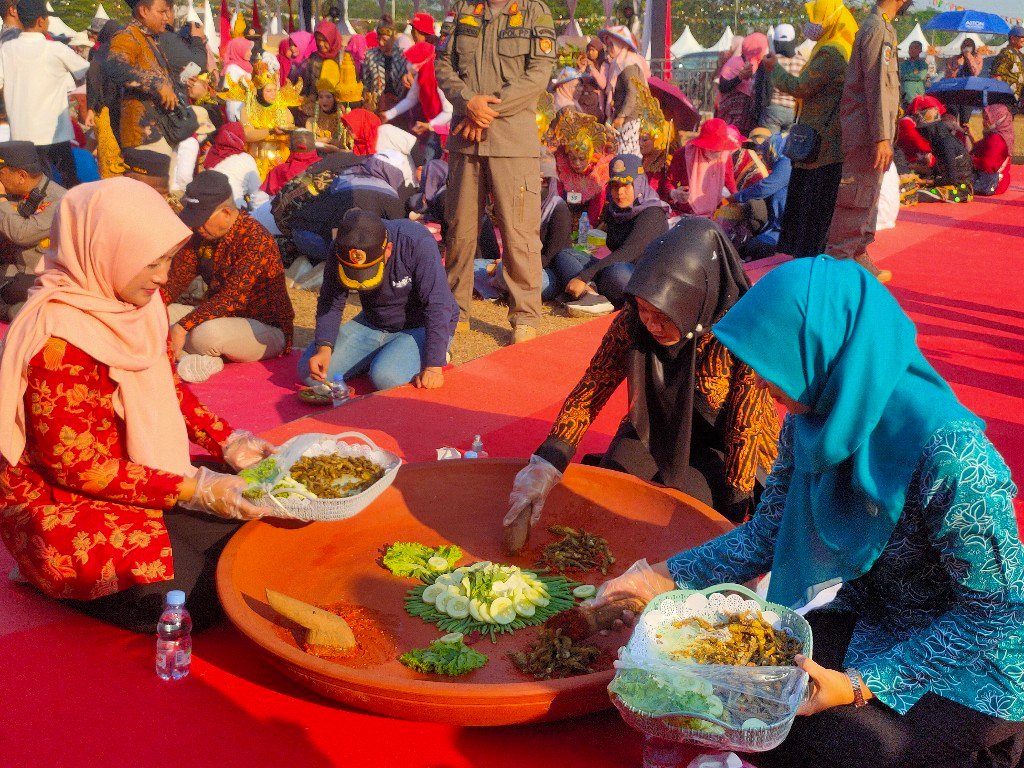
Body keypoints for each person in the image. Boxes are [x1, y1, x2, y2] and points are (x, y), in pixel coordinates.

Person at [589, 256, 1024, 768]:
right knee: (742, 704)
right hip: (878, 618)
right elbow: (768, 533)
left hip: (974, 663)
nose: (757, 379)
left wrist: (859, 685)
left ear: (825, 350)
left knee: (823, 746)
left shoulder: (954, 456)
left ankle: (996, 748)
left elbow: (995, 611)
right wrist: (657, 578)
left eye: (772, 360)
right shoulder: (811, 419)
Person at [0, 178, 278, 633]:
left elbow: (169, 388)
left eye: (168, 259)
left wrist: (229, 442)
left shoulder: (141, 304)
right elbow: (78, 468)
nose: (164, 276)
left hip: (135, 474)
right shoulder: (56, 339)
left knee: (253, 531)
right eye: (151, 262)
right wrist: (194, 489)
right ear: (104, 250)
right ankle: (40, 575)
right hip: (64, 499)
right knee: (198, 599)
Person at [503, 219, 781, 541]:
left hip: (721, 447)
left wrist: (733, 513)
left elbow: (744, 431)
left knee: (683, 524)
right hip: (656, 423)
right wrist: (548, 461)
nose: (651, 325)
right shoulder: (636, 316)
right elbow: (593, 386)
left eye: (663, 316)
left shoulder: (741, 334)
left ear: (695, 302)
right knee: (608, 496)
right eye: (644, 311)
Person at [435, 0, 557, 343]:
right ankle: (455, 310)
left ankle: (525, 316)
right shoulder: (462, 9)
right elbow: (443, 63)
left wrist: (486, 111)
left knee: (519, 231)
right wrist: (467, 103)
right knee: (459, 229)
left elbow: (538, 75)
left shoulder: (534, 11)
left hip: (511, 140)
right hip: (466, 140)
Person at [299, 209, 459, 392]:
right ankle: (384, 356)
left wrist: (433, 365)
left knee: (385, 378)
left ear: (388, 249)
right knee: (310, 372)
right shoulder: (340, 247)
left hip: (420, 325)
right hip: (373, 322)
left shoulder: (416, 241)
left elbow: (438, 304)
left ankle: (439, 352)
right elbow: (331, 300)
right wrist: (324, 348)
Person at [166, 171, 294, 383]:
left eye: (202, 220)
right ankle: (196, 359)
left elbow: (231, 299)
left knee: (204, 335)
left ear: (226, 212)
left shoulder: (255, 239)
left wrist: (180, 328)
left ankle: (191, 354)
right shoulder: (201, 235)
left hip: (263, 327)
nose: (197, 227)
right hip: (217, 318)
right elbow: (175, 279)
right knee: (160, 314)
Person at [761, 0, 854, 259]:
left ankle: (806, 258)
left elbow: (801, 86)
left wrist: (774, 69)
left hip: (820, 143)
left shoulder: (831, 52)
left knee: (811, 203)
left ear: (830, 19)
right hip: (823, 139)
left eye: (816, 18)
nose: (811, 24)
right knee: (814, 202)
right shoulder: (836, 47)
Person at [824, 0, 907, 284]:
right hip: (867, 132)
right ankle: (838, 264)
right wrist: (881, 136)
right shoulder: (877, 29)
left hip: (872, 130)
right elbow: (877, 86)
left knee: (868, 197)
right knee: (856, 196)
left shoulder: (883, 28)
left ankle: (858, 254)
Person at [559, 154, 669, 316]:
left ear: (639, 183)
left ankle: (587, 290)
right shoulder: (615, 211)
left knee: (617, 271)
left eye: (626, 185)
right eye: (615, 186)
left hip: (643, 280)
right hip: (615, 269)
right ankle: (592, 296)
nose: (620, 192)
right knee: (566, 255)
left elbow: (627, 253)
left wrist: (583, 276)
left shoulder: (652, 213)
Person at [0, 0, 89, 187]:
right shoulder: (55, 49)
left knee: (31, 185)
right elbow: (87, 72)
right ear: (41, 21)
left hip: (22, 133)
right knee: (68, 181)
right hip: (55, 132)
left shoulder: (6, 49)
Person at [481, 153, 572, 302]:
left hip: (547, 272)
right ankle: (505, 283)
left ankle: (503, 282)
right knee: (474, 267)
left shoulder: (558, 209)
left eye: (545, 181)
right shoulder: (521, 203)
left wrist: (512, 265)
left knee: (526, 280)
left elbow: (551, 257)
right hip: (517, 264)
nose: (539, 185)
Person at [289, 154, 407, 265]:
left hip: (305, 236)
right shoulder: (391, 194)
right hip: (344, 249)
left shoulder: (343, 179)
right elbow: (399, 234)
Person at [0, 141, 66, 320]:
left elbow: (21, 234)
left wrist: (1, 200)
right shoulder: (19, 193)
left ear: (21, 175)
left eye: (1, 174)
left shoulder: (59, 201)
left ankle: (14, 313)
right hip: (16, 270)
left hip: (41, 278)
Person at [105, 0, 179, 151]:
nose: (166, 17)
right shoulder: (127, 36)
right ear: (144, 11)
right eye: (161, 12)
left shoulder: (149, 37)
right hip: (142, 134)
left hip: (161, 128)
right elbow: (115, 67)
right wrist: (157, 84)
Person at [382, 41, 452, 164]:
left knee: (432, 163)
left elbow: (449, 112)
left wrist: (430, 125)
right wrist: (388, 114)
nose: (408, 64)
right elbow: (411, 99)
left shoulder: (438, 78)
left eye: (412, 60)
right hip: (434, 126)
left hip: (446, 130)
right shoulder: (421, 76)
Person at [729, 132, 791, 261]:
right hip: (776, 226)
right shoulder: (784, 161)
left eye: (764, 154)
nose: (763, 158)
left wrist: (735, 198)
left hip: (782, 231)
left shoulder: (786, 162)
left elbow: (764, 188)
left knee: (754, 248)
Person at [663, 118, 740, 217]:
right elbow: (669, 182)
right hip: (685, 211)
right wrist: (674, 193)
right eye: (712, 148)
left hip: (714, 212)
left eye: (719, 149)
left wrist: (737, 199)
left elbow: (730, 183)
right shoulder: (684, 154)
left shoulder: (725, 156)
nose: (717, 152)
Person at [906, 95, 973, 203]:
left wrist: (925, 182)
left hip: (960, 190)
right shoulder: (939, 141)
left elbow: (951, 179)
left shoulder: (946, 142)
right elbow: (938, 171)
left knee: (914, 194)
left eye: (924, 131)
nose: (923, 134)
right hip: (947, 184)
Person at [599, 26, 649, 156]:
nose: (608, 49)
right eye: (607, 45)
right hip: (628, 117)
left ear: (620, 45)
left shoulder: (628, 64)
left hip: (631, 118)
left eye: (611, 45)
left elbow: (633, 92)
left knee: (627, 154)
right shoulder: (620, 63)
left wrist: (622, 115)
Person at [754, 24, 804, 132]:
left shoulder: (769, 61)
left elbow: (758, 87)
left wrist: (757, 110)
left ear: (775, 42)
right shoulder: (802, 61)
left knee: (769, 142)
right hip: (794, 111)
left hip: (773, 110)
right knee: (788, 142)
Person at [717, 33, 769, 136]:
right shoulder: (734, 63)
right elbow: (722, 86)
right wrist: (739, 77)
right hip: (733, 119)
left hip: (749, 119)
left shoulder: (762, 64)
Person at [202, 122, 265, 208]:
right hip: (231, 207)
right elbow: (257, 194)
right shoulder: (246, 159)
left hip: (206, 206)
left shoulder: (209, 152)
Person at [361, 15, 408, 113]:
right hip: (376, 106)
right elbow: (366, 84)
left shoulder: (402, 57)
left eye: (385, 40)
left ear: (393, 38)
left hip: (398, 107)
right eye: (378, 39)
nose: (381, 43)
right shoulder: (370, 55)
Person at [261, 128, 319, 196]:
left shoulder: (281, 170)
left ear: (289, 147)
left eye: (289, 143)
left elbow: (261, 197)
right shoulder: (322, 164)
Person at [971, 104, 1014, 196]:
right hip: (996, 181)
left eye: (987, 119)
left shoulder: (996, 139)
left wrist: (968, 160)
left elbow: (987, 164)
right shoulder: (1002, 134)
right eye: (984, 118)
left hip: (990, 183)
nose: (984, 122)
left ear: (997, 119)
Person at [945, 37, 983, 126]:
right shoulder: (955, 58)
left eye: (969, 46)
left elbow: (975, 72)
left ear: (973, 47)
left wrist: (969, 56)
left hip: (968, 92)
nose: (966, 47)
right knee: (951, 118)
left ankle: (963, 134)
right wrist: (958, 66)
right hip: (954, 92)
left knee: (965, 121)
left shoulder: (977, 57)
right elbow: (948, 76)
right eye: (964, 45)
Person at [221, 37, 255, 122]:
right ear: (239, 50)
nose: (251, 53)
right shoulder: (232, 68)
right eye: (248, 50)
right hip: (236, 107)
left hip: (246, 104)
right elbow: (229, 89)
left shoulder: (245, 65)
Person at [990, 25, 1024, 108]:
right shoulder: (1006, 54)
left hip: (1018, 98)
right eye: (1021, 37)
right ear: (1012, 39)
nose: (1023, 39)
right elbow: (996, 76)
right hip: (1006, 98)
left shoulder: (1020, 55)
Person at [577, 37, 609, 122]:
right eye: (589, 50)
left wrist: (592, 68)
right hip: (584, 101)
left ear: (599, 51)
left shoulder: (604, 65)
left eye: (593, 50)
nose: (590, 53)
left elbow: (603, 84)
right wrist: (581, 69)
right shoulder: (587, 63)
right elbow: (580, 82)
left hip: (596, 104)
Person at [898, 40, 928, 106]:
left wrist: (907, 75)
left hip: (917, 96)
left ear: (920, 50)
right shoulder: (904, 64)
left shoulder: (923, 64)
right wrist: (914, 75)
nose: (912, 50)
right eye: (910, 48)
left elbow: (921, 76)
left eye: (915, 48)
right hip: (904, 96)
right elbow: (902, 75)